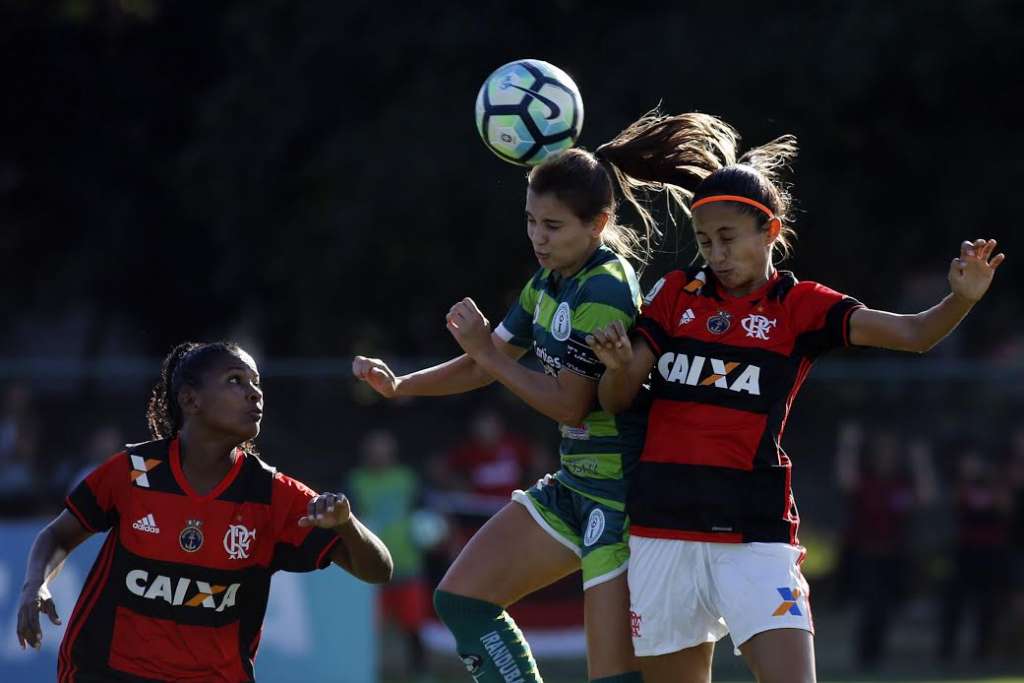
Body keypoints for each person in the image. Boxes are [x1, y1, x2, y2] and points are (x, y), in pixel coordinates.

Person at [583, 111, 1005, 683]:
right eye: (705, 242)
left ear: (770, 232)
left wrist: (961, 300)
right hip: (664, 529)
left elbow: (913, 334)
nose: (716, 253)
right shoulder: (677, 293)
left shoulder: (799, 306)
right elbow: (616, 398)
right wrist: (614, 366)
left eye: (728, 239)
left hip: (756, 534)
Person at [352, 126, 688, 683]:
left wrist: (488, 352)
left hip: (621, 495)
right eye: (531, 221)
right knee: (463, 600)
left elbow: (569, 407)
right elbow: (485, 362)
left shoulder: (603, 286)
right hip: (574, 485)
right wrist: (402, 385)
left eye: (552, 225)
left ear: (598, 224)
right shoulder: (550, 280)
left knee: (612, 676)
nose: (538, 236)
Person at [16, 341, 393, 682]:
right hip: (109, 671)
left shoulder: (273, 494)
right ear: (190, 399)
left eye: (257, 383)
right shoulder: (134, 472)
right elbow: (59, 534)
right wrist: (36, 584)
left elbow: (378, 570)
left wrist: (347, 525)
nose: (255, 394)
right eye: (235, 380)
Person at [834, 422, 935, 669]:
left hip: (894, 555)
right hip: (866, 555)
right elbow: (846, 480)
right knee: (871, 604)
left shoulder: (901, 483)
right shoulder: (866, 481)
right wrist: (849, 446)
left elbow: (926, 496)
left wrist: (920, 461)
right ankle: (865, 657)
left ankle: (877, 656)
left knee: (888, 606)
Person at [348, 429, 433, 681]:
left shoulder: (407, 478)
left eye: (383, 449)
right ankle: (364, 673)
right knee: (367, 630)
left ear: (392, 452)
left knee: (413, 626)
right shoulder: (356, 481)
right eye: (374, 449)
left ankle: (420, 674)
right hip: (369, 569)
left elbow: (426, 512)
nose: (379, 454)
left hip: (407, 566)